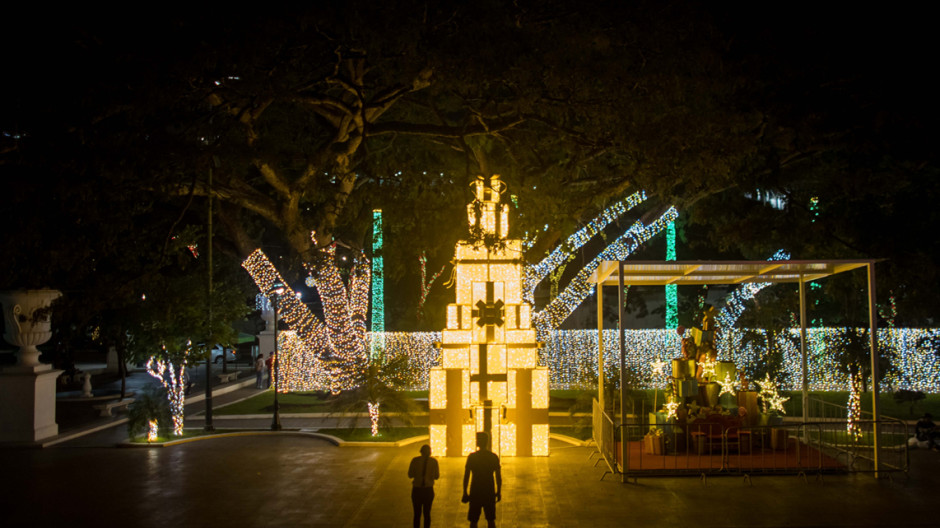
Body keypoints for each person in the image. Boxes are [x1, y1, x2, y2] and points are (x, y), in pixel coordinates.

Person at [463, 432, 502, 528]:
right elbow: (498, 476)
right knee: (490, 519)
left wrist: (465, 491)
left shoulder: (472, 457)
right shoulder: (493, 457)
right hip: (489, 490)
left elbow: (467, 476)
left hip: (475, 490)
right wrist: (499, 491)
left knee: (473, 519)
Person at [407, 444, 439, 528]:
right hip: (428, 490)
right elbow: (437, 476)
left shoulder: (415, 461)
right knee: (427, 513)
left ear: (421, 452)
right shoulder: (434, 462)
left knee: (417, 514)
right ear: (430, 453)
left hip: (417, 489)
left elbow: (410, 475)